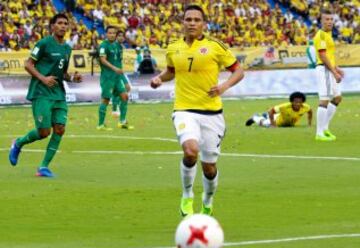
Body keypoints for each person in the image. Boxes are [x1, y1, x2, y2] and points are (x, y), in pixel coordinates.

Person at [150, 5, 244, 217]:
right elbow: (171, 71)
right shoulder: (173, 47)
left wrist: (224, 86)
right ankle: (187, 195)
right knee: (190, 151)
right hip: (184, 110)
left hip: (212, 114)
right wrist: (159, 79)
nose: (192, 23)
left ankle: (208, 200)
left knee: (209, 167)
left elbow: (239, 70)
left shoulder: (215, 46)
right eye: (188, 19)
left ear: (203, 24)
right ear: (182, 22)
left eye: (196, 20)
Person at [8, 13, 82, 177]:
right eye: (60, 23)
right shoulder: (43, 43)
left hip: (58, 93)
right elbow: (28, 64)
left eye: (65, 23)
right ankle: (18, 143)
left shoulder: (67, 48)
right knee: (43, 132)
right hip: (41, 92)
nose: (63, 26)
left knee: (60, 129)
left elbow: (62, 73)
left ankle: (43, 167)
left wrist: (73, 78)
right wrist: (43, 78)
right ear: (53, 26)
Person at [314, 9, 344, 141]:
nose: (329, 22)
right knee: (324, 99)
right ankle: (319, 133)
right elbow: (322, 55)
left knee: (337, 98)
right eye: (326, 19)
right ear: (321, 21)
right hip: (324, 70)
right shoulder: (320, 35)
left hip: (329, 69)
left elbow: (329, 55)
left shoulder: (329, 34)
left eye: (331, 19)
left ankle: (325, 128)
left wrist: (336, 68)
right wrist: (333, 71)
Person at [97, 26, 133, 130]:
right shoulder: (103, 46)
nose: (112, 35)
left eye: (113, 33)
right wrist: (114, 68)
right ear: (106, 34)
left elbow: (119, 64)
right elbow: (103, 60)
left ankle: (122, 122)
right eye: (110, 33)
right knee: (105, 100)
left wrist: (124, 79)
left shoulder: (118, 46)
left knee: (125, 96)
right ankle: (100, 125)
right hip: (107, 77)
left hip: (117, 77)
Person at [245, 92, 313, 127]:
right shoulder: (284, 106)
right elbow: (271, 111)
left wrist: (309, 123)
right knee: (263, 123)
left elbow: (310, 112)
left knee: (271, 114)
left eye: (300, 102)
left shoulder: (305, 107)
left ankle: (265, 115)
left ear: (303, 102)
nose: (298, 104)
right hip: (277, 122)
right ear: (291, 101)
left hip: (283, 119)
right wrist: (273, 124)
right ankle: (255, 118)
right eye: (296, 102)